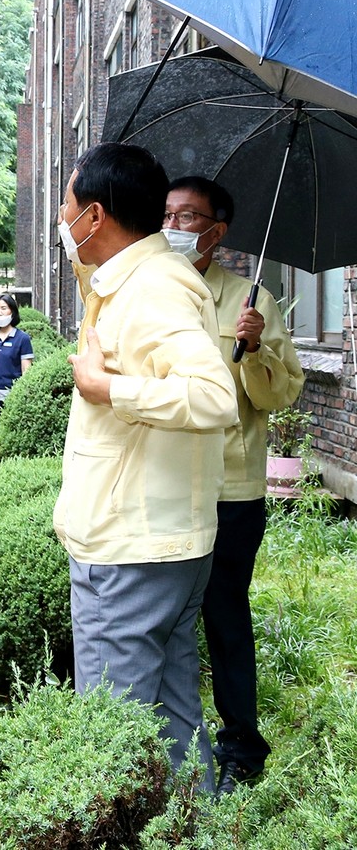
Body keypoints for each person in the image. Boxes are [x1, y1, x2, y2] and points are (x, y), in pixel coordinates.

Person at [54, 143, 238, 786]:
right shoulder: (135, 277)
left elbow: (214, 394)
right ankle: (197, 826)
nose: (61, 215)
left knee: (114, 736)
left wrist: (110, 391)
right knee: (172, 717)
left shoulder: (154, 288)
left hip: (130, 547)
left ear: (96, 215)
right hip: (157, 539)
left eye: (68, 203)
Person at [164, 176, 304, 795]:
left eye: (188, 217)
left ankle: (241, 745)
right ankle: (163, 742)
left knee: (223, 614)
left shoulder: (253, 300)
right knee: (163, 615)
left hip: (230, 487)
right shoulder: (150, 294)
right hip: (162, 481)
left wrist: (252, 349)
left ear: (216, 233)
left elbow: (281, 394)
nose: (173, 225)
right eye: (166, 213)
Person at [0, 293, 34, 425]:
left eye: (4, 308)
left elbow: (26, 370)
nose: (0, 313)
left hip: (12, 396)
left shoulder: (22, 338)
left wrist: (23, 393)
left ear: (12, 311)